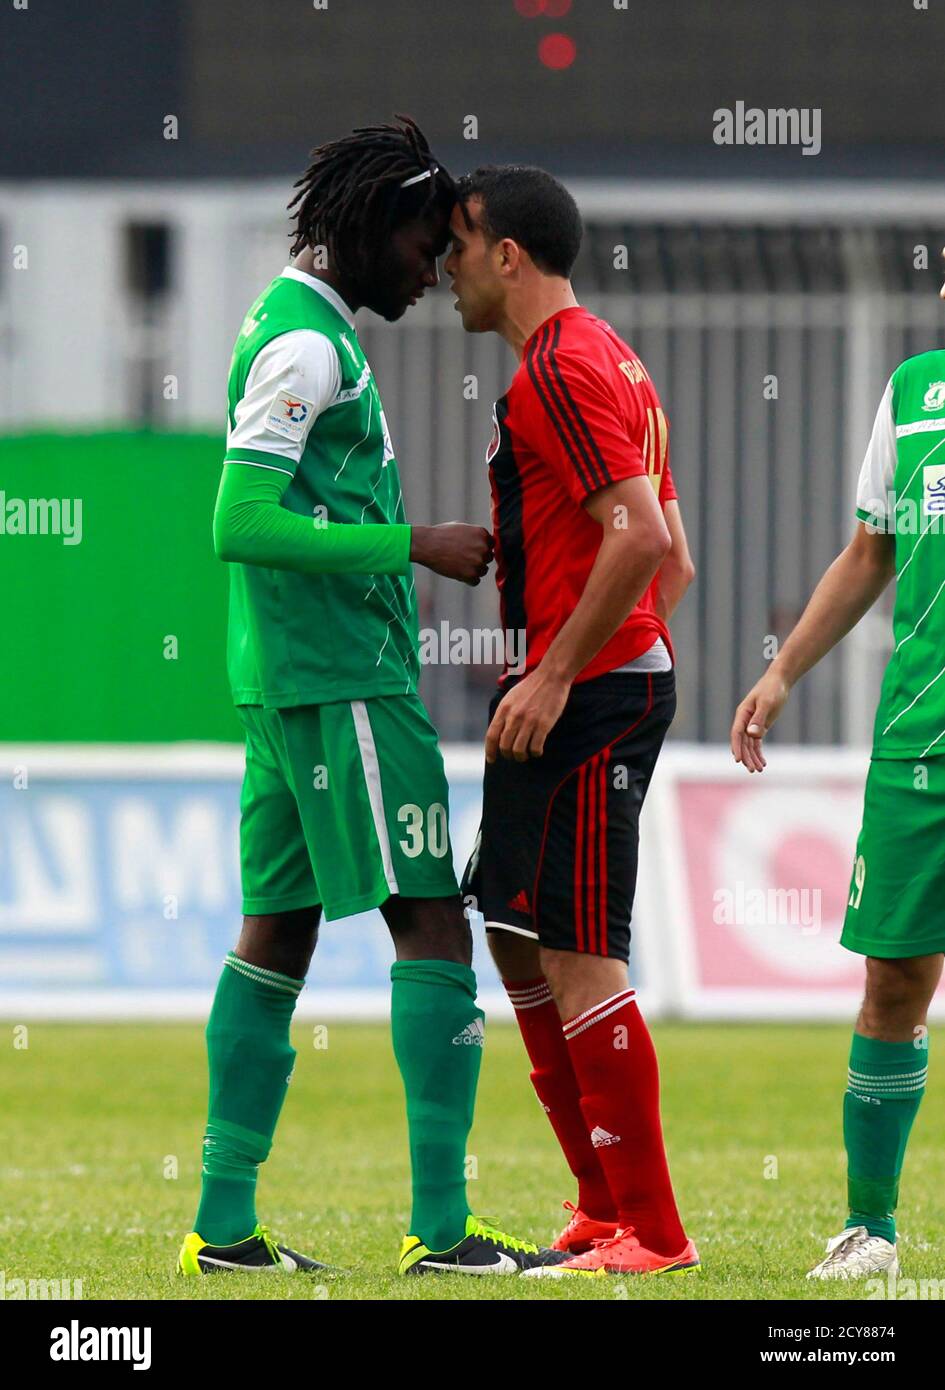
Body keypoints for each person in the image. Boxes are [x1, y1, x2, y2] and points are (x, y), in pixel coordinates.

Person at [178, 120, 567, 1278]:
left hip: (290, 683)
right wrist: (417, 544)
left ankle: (224, 1225)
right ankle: (443, 1229)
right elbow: (236, 526)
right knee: (434, 920)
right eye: (421, 240)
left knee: (277, 935)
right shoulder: (308, 348)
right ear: (368, 228)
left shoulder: (297, 327)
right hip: (345, 681)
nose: (433, 266)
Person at [446, 164, 698, 1277]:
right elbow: (675, 557)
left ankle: (655, 1232)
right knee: (515, 934)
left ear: (507, 254)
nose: (443, 264)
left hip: (582, 697)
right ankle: (601, 1205)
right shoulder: (612, 362)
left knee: (582, 952)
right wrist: (606, 651)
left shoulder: (558, 367)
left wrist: (561, 673)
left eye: (457, 242)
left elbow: (638, 539)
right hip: (582, 685)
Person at [732, 260, 945, 1280]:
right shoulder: (910, 394)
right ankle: (872, 1230)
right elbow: (872, 550)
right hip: (919, 742)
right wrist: (780, 674)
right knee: (893, 982)